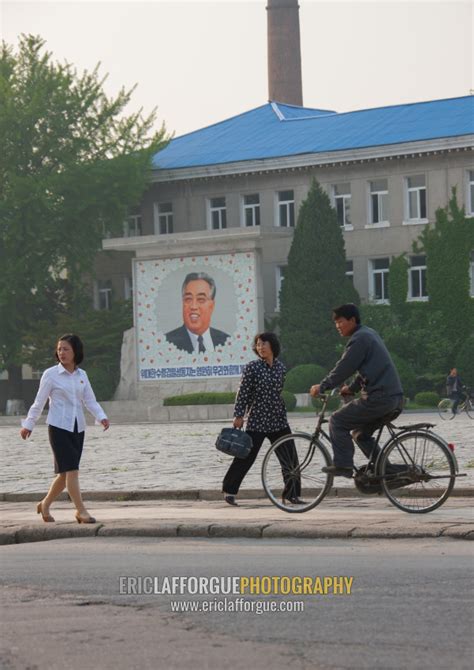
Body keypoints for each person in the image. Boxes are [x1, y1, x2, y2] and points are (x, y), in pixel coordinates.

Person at [20, 334, 110, 523]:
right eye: (59, 349)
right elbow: (39, 401)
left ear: (76, 351)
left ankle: (44, 505)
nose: (62, 352)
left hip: (78, 428)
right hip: (58, 427)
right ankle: (81, 511)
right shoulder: (50, 374)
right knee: (72, 470)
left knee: (64, 474)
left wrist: (101, 417)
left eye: (66, 349)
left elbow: (89, 400)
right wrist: (29, 424)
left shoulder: (82, 375)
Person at [310, 303, 404, 477]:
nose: (337, 326)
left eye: (340, 321)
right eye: (335, 323)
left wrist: (322, 386)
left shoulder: (359, 339)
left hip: (379, 397)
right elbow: (367, 369)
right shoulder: (368, 334)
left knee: (337, 421)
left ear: (352, 320)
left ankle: (343, 465)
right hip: (392, 397)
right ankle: (387, 470)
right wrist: (351, 388)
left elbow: (345, 367)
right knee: (360, 434)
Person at [222, 332, 301, 506]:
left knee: (290, 457)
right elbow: (243, 393)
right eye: (258, 344)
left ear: (273, 346)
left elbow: (278, 392)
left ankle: (292, 493)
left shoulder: (281, 367)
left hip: (278, 420)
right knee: (245, 456)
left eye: (264, 343)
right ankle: (229, 490)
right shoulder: (252, 367)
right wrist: (239, 415)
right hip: (257, 420)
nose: (261, 347)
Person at [165, 272, 230, 353]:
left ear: (212, 306)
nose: (193, 306)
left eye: (201, 299)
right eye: (188, 299)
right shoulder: (166, 343)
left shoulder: (226, 342)